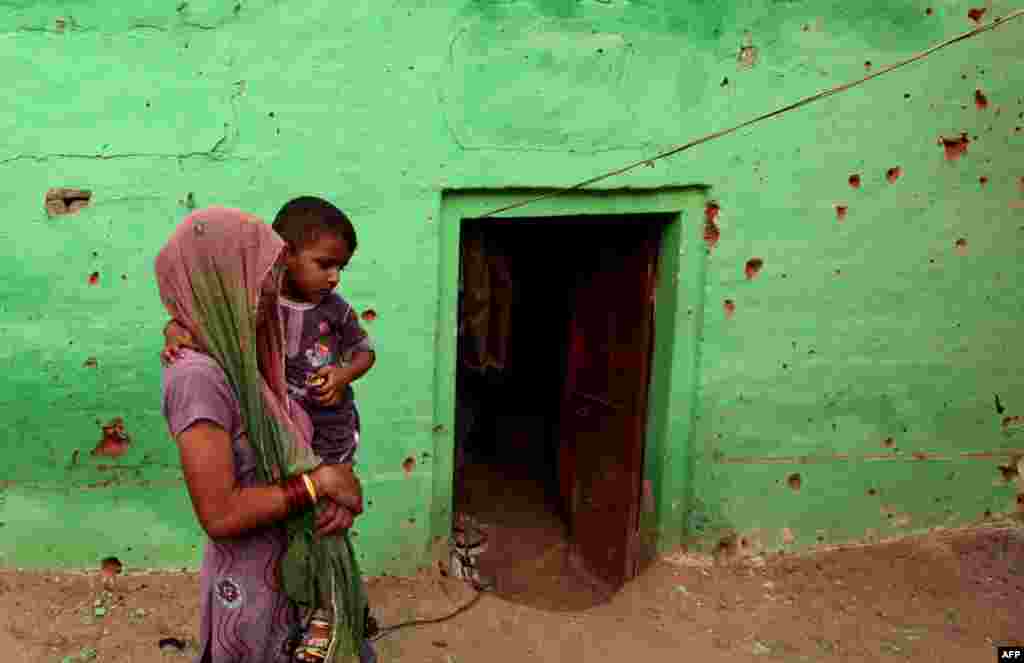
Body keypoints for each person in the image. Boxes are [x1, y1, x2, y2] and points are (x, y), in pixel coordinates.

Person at [156, 206, 375, 663]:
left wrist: (333, 495)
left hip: (292, 578)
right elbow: (220, 513)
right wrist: (320, 484)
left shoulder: (251, 357)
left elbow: (297, 445)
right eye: (262, 278)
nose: (274, 292)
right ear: (222, 283)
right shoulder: (197, 377)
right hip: (254, 597)